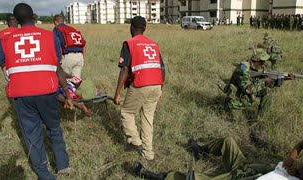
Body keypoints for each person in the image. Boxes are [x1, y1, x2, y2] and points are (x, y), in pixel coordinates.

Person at [0, 3, 73, 179]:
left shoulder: (7, 39)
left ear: (15, 20)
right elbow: (58, 68)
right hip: (48, 91)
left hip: (21, 94)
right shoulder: (49, 36)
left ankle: (44, 174)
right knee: (54, 127)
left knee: (32, 134)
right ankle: (63, 165)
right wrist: (67, 93)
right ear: (33, 16)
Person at [113, 16, 165, 161]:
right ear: (144, 28)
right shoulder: (153, 44)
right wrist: (161, 88)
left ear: (131, 28)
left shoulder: (129, 44)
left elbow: (124, 69)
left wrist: (117, 93)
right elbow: (162, 68)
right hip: (156, 85)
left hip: (141, 84)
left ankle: (136, 142)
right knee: (148, 119)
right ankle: (148, 154)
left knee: (127, 113)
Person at [133, 137, 275, 180]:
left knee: (195, 178)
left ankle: (158, 177)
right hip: (248, 169)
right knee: (228, 142)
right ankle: (200, 151)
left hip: (241, 177)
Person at [53, 14, 85, 79]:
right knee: (75, 82)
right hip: (80, 57)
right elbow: (84, 44)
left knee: (63, 80)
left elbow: (57, 45)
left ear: (55, 22)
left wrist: (59, 60)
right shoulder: (72, 29)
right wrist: (83, 57)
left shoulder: (57, 30)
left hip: (68, 57)